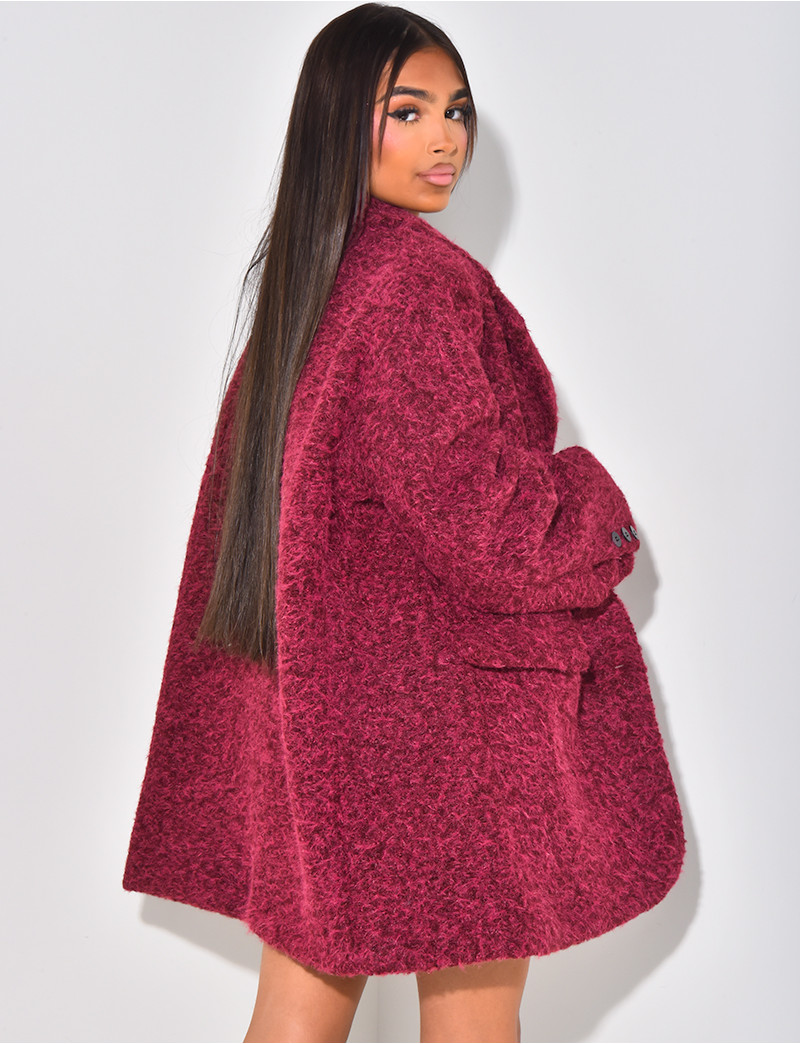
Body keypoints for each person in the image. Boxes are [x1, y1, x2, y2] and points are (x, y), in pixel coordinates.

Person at [123, 5, 685, 1042]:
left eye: (457, 111)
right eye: (408, 110)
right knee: (473, 1017)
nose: (444, 140)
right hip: (444, 725)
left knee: (296, 1007)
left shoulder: (317, 279)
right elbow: (494, 530)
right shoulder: (412, 286)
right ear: (339, 120)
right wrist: (600, 513)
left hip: (327, 719)